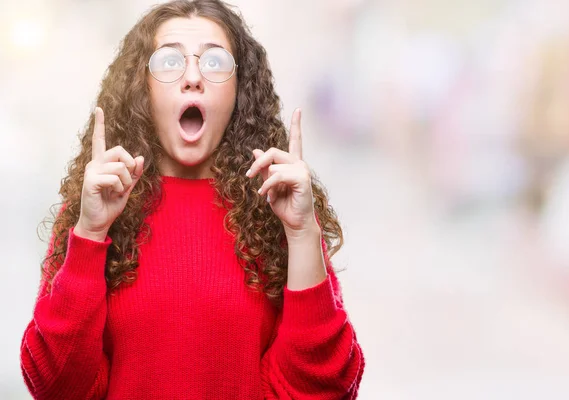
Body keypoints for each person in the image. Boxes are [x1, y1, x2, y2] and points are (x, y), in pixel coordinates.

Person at [19, 1, 365, 399]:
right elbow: (56, 385)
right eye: (169, 61)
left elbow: (324, 387)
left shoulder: (279, 209)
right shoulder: (96, 209)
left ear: (240, 89)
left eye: (215, 62)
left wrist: (303, 233)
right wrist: (91, 231)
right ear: (141, 87)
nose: (193, 77)